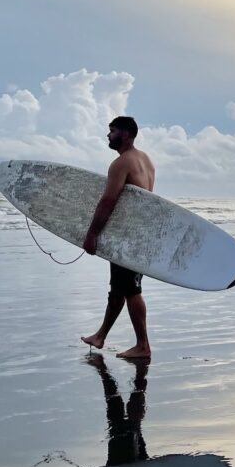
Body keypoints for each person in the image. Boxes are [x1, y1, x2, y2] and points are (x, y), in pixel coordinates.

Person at [81, 116, 156, 359]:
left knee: (131, 290)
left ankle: (143, 345)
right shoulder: (145, 160)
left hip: (129, 238)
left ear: (124, 134)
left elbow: (109, 201)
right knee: (118, 289)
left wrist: (92, 235)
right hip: (137, 234)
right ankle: (100, 336)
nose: (108, 135)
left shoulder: (121, 163)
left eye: (111, 131)